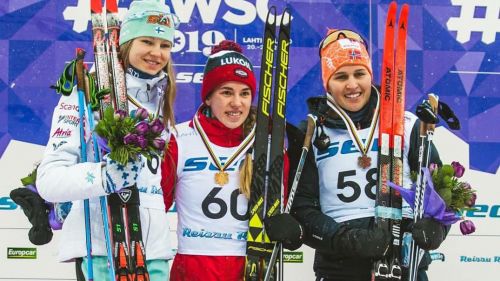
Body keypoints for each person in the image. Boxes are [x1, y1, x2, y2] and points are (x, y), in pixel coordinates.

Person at [270, 29, 447, 281]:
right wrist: (349, 240)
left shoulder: (407, 124)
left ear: (370, 75)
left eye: (359, 74)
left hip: (404, 261)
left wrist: (437, 226)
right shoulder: (311, 131)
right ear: (327, 83)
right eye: (341, 76)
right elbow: (302, 207)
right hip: (339, 266)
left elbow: (439, 188)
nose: (352, 85)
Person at [36, 0, 178, 280]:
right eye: (147, 41)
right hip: (102, 251)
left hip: (153, 254)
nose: (156, 53)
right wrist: (104, 177)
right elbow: (49, 180)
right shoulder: (86, 95)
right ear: (125, 42)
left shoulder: (162, 101)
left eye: (165, 45)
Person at [160, 40, 296, 281]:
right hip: (193, 269)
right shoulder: (180, 139)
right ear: (208, 97)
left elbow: (281, 209)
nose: (237, 103)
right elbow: (157, 205)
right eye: (226, 92)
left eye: (245, 93)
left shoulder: (269, 146)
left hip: (250, 268)